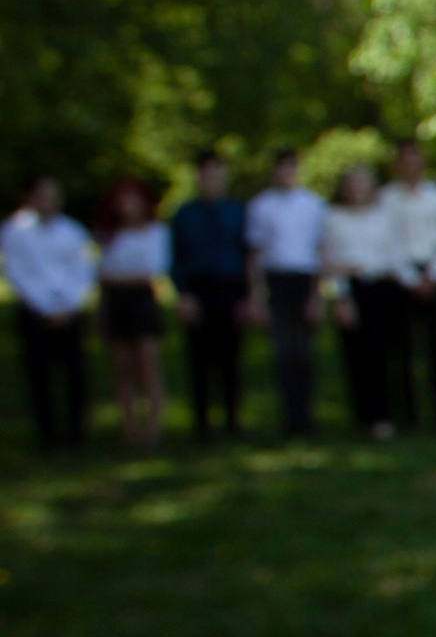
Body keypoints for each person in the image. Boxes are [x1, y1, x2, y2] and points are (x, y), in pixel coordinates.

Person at [4, 176, 95, 450]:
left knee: (75, 374)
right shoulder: (15, 230)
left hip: (70, 312)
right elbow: (17, 273)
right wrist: (45, 306)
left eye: (53, 195)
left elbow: (83, 271)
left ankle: (77, 434)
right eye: (43, 195)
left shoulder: (73, 231)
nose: (49, 201)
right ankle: (49, 437)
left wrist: (68, 305)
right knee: (39, 375)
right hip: (34, 312)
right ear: (30, 197)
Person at [245, 149, 327, 438]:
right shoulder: (261, 206)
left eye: (291, 168)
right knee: (282, 353)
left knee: (305, 353)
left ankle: (306, 415)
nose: (286, 173)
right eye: (281, 168)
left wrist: (316, 296)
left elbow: (320, 252)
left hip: (304, 280)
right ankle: (288, 417)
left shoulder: (314, 204)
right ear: (274, 171)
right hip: (276, 282)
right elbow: (255, 256)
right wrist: (257, 297)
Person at [170, 150, 251, 439]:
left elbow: (248, 254)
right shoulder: (184, 214)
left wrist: (248, 296)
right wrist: (183, 294)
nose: (212, 179)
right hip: (198, 290)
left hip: (231, 288)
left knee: (231, 358)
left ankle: (233, 420)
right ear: (198, 177)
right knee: (199, 359)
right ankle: (202, 424)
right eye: (207, 173)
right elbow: (176, 259)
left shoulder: (239, 211)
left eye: (218, 173)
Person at [323, 164, 404, 440]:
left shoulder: (382, 217)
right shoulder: (334, 218)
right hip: (351, 291)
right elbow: (331, 263)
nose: (358, 190)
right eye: (353, 184)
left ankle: (384, 416)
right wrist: (340, 297)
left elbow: (393, 254)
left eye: (364, 184)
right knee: (356, 355)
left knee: (381, 354)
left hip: (381, 288)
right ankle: (363, 417)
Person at [380, 138, 436, 431]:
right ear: (398, 164)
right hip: (400, 277)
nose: (411, 164)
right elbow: (385, 243)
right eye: (405, 159)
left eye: (416, 158)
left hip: (432, 274)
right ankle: (409, 414)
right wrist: (410, 279)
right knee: (403, 351)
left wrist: (432, 275)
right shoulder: (386, 199)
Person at [94, 179, 171, 446]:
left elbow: (154, 269)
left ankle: (153, 426)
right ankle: (129, 426)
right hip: (115, 303)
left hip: (142, 302)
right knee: (122, 366)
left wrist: (119, 276)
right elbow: (100, 271)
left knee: (148, 363)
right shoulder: (108, 234)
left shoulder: (156, 231)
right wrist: (121, 277)